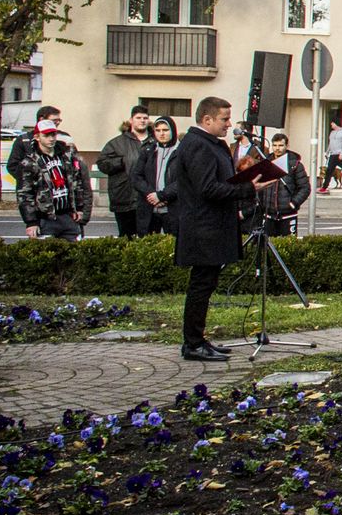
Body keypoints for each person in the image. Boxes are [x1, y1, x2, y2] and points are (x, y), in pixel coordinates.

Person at [168, 96, 266, 362]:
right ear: (207, 119)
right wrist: (248, 188)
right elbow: (208, 188)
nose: (229, 125)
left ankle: (198, 339)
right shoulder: (198, 145)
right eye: (224, 119)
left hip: (212, 225)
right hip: (203, 227)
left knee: (206, 284)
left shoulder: (210, 143)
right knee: (201, 285)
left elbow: (216, 179)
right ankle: (192, 343)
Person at [17, 120, 93, 240]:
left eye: (53, 134)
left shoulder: (66, 156)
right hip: (45, 219)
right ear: (37, 137)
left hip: (68, 216)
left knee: (74, 255)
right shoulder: (29, 162)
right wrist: (31, 222)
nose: (51, 138)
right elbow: (25, 194)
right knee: (47, 255)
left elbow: (77, 183)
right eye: (46, 135)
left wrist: (79, 208)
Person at [98, 107, 152, 237]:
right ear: (131, 120)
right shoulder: (117, 143)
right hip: (124, 198)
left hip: (149, 199)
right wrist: (121, 162)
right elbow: (102, 164)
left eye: (145, 118)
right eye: (138, 118)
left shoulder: (155, 141)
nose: (142, 121)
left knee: (149, 237)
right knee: (126, 237)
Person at [132, 115, 180, 234]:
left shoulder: (182, 152)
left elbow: (184, 180)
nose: (161, 134)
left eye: (165, 130)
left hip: (173, 209)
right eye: (158, 130)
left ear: (173, 131)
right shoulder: (148, 151)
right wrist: (152, 195)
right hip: (149, 208)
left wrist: (162, 196)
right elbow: (136, 177)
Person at [259, 132, 311, 237]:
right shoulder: (266, 163)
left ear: (287, 146)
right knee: (267, 246)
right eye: (275, 145)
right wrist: (262, 204)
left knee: (288, 245)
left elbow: (305, 188)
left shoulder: (295, 165)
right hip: (269, 214)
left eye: (281, 145)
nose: (277, 148)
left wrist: (293, 203)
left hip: (288, 214)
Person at [6, 104, 62, 189]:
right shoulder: (24, 140)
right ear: (41, 119)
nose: (57, 123)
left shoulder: (63, 139)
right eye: (54, 120)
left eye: (59, 120)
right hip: (34, 193)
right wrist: (31, 181)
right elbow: (13, 166)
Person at [324, 118, 342, 189]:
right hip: (333, 154)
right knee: (329, 170)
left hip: (341, 154)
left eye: (332, 123)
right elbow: (330, 143)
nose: (331, 125)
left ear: (336, 123)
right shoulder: (332, 133)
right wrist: (327, 152)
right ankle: (324, 186)